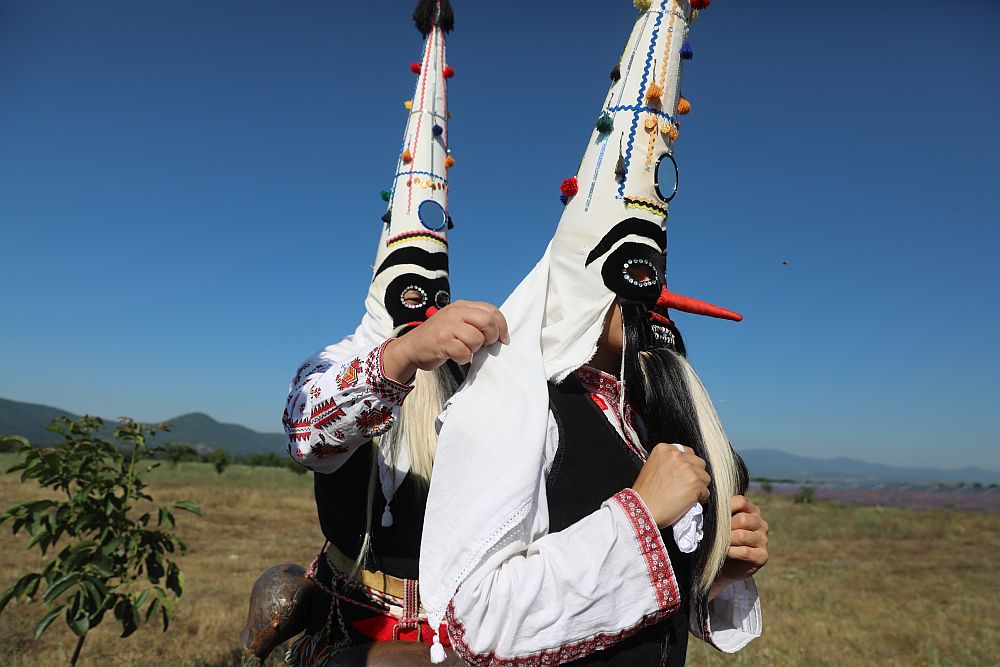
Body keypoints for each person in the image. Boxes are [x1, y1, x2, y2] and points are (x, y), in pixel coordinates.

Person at [419, 1, 768, 665]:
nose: (648, 304)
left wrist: (718, 573)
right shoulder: (511, 404)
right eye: (632, 280)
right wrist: (641, 513)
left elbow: (641, 601)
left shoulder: (644, 414)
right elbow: (474, 621)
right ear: (584, 286)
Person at [272, 1, 503, 663]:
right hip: (358, 628)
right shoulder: (342, 359)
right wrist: (401, 356)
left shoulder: (476, 374)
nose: (423, 298)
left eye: (436, 285)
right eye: (408, 280)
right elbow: (305, 432)